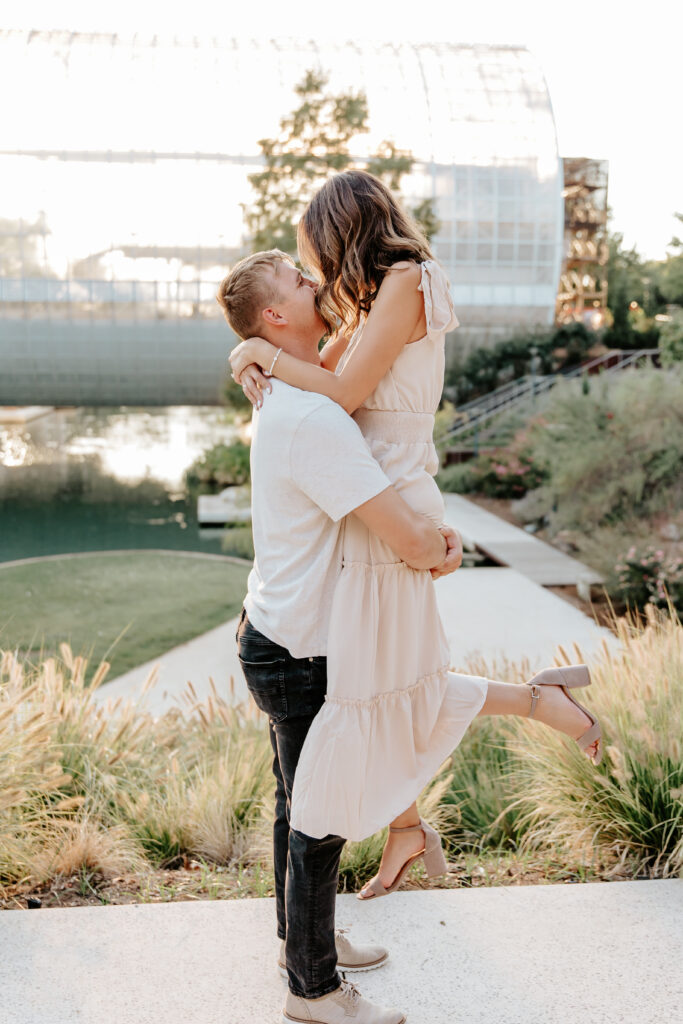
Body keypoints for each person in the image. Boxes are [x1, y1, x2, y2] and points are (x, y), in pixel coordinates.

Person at [228, 171, 602, 904]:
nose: (319, 273)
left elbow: (336, 392)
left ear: (345, 230)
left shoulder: (409, 279)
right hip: (368, 498)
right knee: (370, 681)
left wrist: (260, 356)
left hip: (388, 491)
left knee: (377, 684)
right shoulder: (369, 305)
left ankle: (536, 708)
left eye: (319, 254)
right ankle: (412, 817)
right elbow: (314, 372)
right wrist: (246, 351)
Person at [217, 249, 465, 1024]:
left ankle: (302, 941)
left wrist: (252, 356)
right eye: (298, 279)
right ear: (274, 318)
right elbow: (399, 531)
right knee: (317, 823)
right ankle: (314, 990)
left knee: (298, 805)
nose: (314, 281)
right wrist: (442, 550)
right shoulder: (312, 415)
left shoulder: (289, 396)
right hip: (299, 649)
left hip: (276, 632)